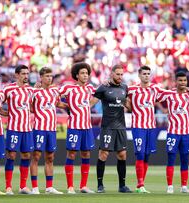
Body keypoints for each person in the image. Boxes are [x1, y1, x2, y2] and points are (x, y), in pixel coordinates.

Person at [90, 64, 132, 193]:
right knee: (104, 154)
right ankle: (100, 185)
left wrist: (129, 104)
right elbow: (91, 103)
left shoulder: (125, 87)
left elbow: (128, 106)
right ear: (112, 74)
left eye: (121, 74)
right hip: (107, 126)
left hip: (120, 126)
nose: (120, 76)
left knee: (122, 154)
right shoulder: (103, 87)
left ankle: (122, 186)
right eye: (117, 74)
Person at [126, 65, 165, 193]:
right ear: (139, 75)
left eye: (148, 73)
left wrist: (183, 90)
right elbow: (119, 93)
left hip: (151, 127)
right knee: (140, 154)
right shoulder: (132, 89)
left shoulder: (155, 88)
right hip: (138, 126)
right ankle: (140, 184)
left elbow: (169, 93)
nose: (146, 75)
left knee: (147, 155)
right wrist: (127, 105)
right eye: (144, 73)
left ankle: (142, 183)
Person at [59, 62, 96, 194]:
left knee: (86, 153)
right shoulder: (69, 88)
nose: (85, 75)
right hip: (74, 126)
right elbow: (54, 95)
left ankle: (83, 186)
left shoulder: (90, 88)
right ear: (76, 75)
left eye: (87, 73)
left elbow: (99, 95)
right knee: (72, 153)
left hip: (87, 127)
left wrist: (90, 104)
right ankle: (70, 187)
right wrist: (65, 106)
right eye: (82, 73)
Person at [158, 71, 189, 194]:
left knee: (185, 159)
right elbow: (154, 98)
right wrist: (163, 109)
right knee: (171, 159)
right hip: (173, 132)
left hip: (185, 132)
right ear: (176, 81)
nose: (183, 83)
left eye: (184, 80)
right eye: (180, 80)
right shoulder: (169, 94)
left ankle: (184, 187)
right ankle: (170, 186)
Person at [29, 67, 66, 195]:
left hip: (51, 129)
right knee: (36, 156)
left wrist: (71, 106)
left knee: (50, 157)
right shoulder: (35, 92)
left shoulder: (55, 90)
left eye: (51, 76)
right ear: (41, 77)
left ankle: (49, 187)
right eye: (47, 76)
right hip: (39, 128)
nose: (50, 78)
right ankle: (34, 188)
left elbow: (58, 103)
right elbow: (30, 108)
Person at [3, 65, 34, 195]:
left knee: (26, 155)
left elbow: (32, 107)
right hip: (14, 128)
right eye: (23, 74)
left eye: (27, 73)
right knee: (11, 155)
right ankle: (8, 187)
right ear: (17, 75)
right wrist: (8, 113)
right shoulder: (8, 89)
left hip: (27, 128)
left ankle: (23, 186)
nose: (26, 76)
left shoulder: (30, 90)